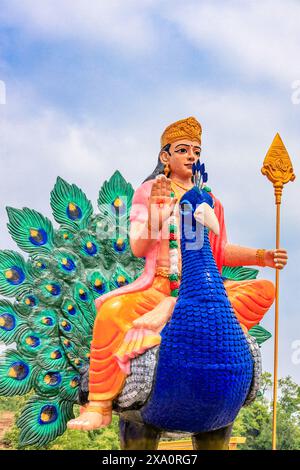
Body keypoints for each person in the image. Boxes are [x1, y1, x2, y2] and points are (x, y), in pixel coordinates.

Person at [67, 117, 288, 431]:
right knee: (112, 314)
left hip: (205, 288)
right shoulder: (149, 191)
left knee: (264, 290)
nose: (191, 156)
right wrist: (157, 216)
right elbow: (138, 246)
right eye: (183, 149)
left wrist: (262, 256)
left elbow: (220, 250)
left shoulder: (211, 200)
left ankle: (212, 330)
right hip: (159, 288)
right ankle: (99, 404)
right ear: (165, 156)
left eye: (196, 151)